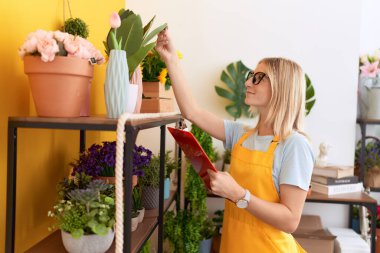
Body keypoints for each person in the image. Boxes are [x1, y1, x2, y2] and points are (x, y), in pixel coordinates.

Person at [156, 29, 314, 253]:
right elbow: (192, 111)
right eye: (251, 75)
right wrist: (171, 59)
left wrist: (240, 194)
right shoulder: (241, 135)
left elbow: (290, 220)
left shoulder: (294, 145)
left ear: (281, 87)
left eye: (258, 78)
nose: (248, 82)